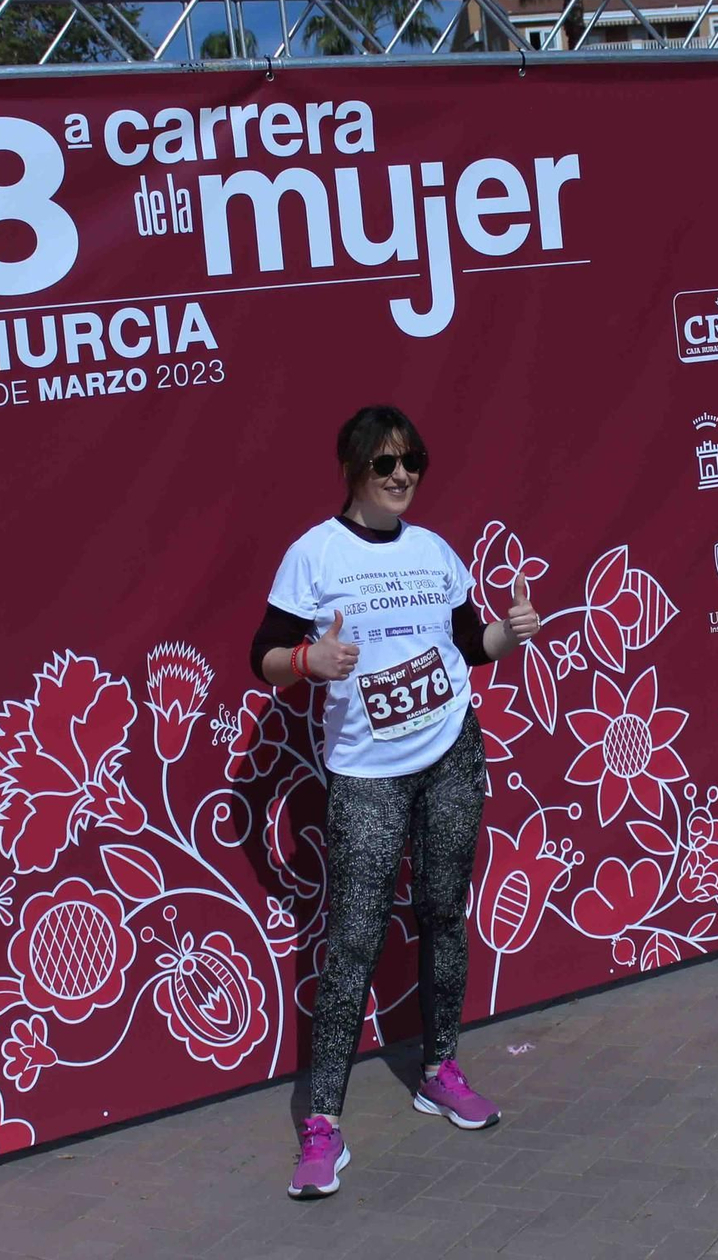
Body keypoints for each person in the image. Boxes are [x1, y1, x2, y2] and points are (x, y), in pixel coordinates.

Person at [249, 405, 540, 1200]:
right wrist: (311, 657)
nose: (403, 475)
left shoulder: (436, 551)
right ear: (354, 469)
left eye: (412, 460)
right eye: (386, 464)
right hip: (367, 774)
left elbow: (469, 642)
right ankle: (323, 1125)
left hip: (451, 753)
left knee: (445, 911)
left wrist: (510, 635)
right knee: (354, 937)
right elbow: (262, 657)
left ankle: (439, 1067)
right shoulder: (315, 553)